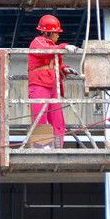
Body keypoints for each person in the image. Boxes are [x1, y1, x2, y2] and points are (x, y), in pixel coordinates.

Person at [27, 14, 81, 148]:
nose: (58, 36)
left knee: (58, 121)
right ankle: (41, 150)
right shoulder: (38, 42)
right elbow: (46, 52)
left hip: (51, 86)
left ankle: (57, 148)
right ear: (48, 32)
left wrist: (65, 70)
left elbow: (52, 62)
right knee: (40, 120)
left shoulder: (52, 46)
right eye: (56, 33)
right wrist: (64, 46)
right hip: (39, 85)